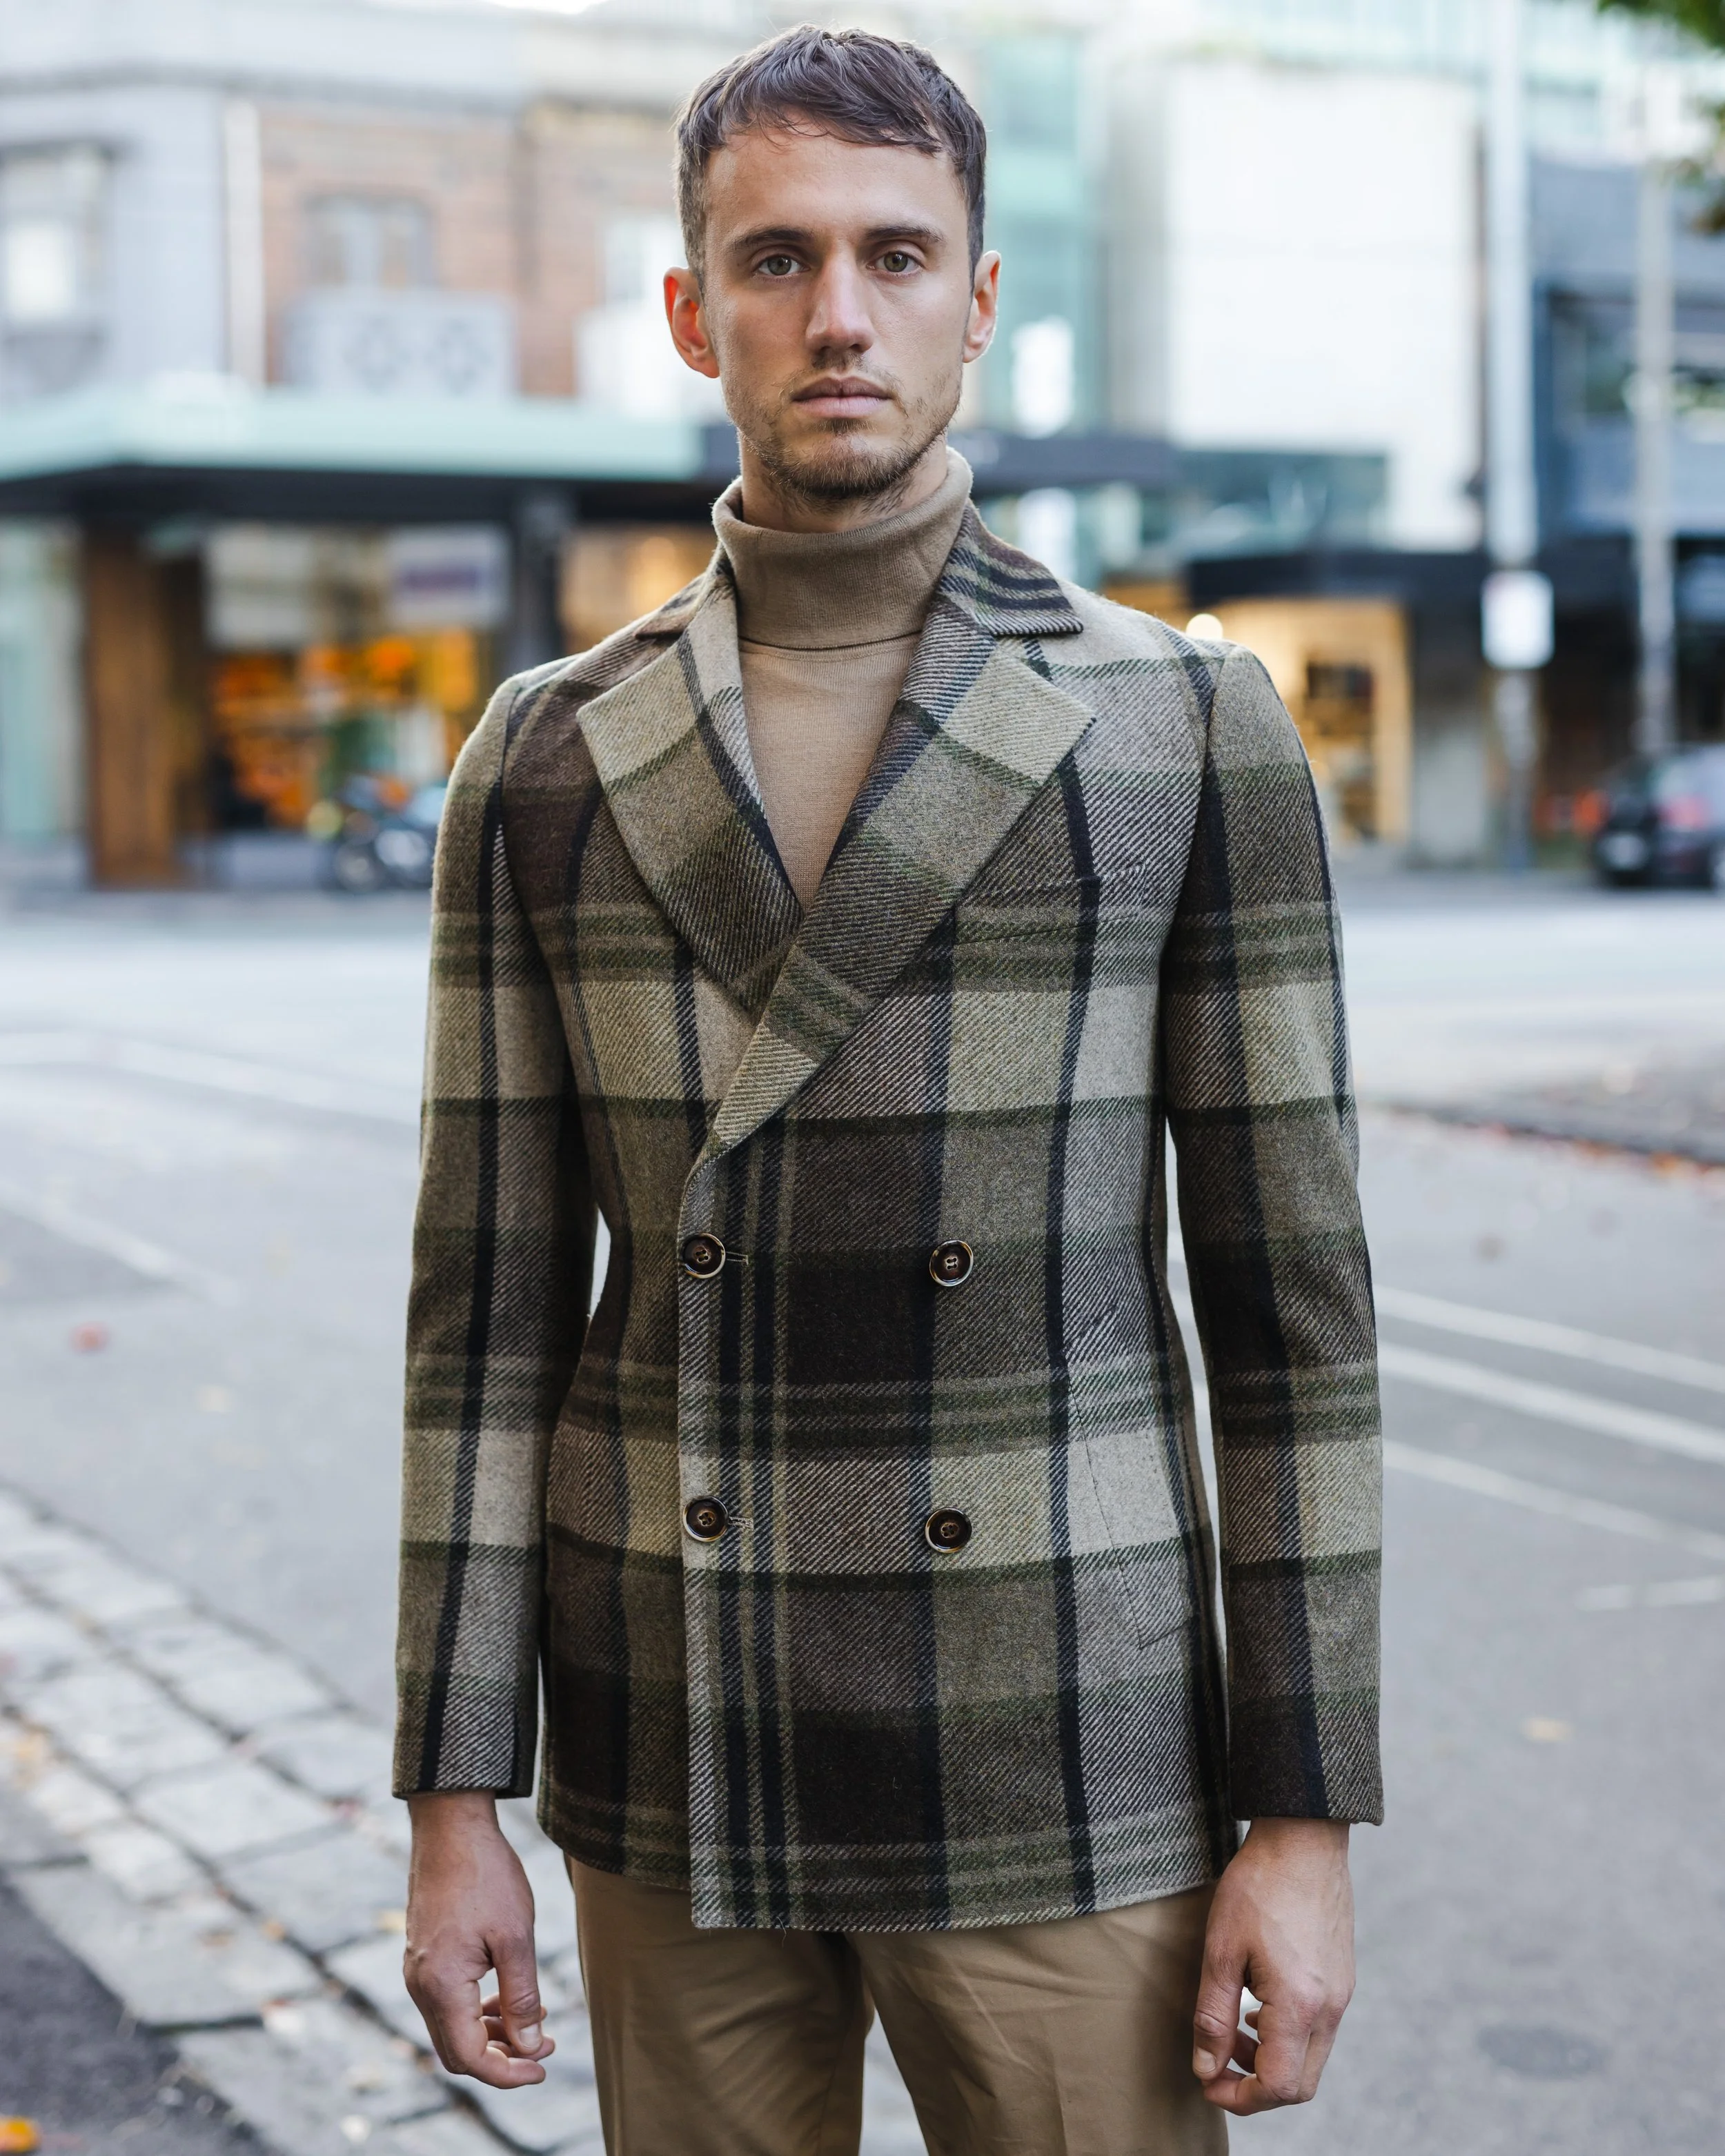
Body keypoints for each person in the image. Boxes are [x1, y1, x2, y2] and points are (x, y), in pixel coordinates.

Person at [395, 26, 1381, 2155]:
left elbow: (1295, 1330)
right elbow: (478, 1328)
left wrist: (1298, 1818)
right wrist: (448, 1793)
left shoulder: (1182, 726)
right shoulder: (544, 756)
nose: (837, 314)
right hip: (674, 1733)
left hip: (1063, 1735)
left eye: (895, 255)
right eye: (775, 257)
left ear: (981, 299)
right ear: (690, 309)